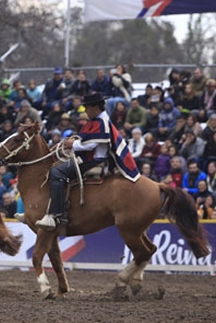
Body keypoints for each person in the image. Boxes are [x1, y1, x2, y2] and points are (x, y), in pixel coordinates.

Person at [36, 93, 139, 230]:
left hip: (94, 160)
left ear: (95, 107)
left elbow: (91, 144)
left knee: (57, 172)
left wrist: (72, 145)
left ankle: (55, 215)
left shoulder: (101, 122)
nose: (85, 111)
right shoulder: (98, 121)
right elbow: (86, 140)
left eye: (87, 107)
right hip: (88, 157)